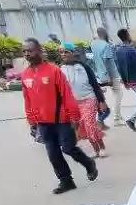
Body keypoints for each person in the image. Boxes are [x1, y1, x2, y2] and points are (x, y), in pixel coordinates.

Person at [20, 37, 98, 194]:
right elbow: (27, 99)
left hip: (62, 118)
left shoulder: (53, 70)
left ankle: (89, 163)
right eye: (24, 51)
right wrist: (32, 121)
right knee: (53, 153)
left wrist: (74, 116)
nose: (27, 54)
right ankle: (66, 181)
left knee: (68, 148)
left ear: (39, 51)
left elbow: (66, 94)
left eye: (30, 50)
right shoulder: (25, 75)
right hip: (43, 122)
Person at [61, 42, 108, 157]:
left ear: (73, 53)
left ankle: (102, 147)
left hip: (89, 98)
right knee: (84, 127)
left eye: (66, 52)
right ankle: (96, 150)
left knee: (89, 123)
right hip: (74, 103)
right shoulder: (61, 69)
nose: (63, 54)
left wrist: (101, 101)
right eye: (61, 52)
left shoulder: (83, 66)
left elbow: (94, 84)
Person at [89, 26, 122, 124]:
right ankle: (117, 118)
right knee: (118, 94)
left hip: (100, 74)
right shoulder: (106, 45)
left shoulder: (93, 44)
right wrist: (109, 77)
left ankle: (104, 117)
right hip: (111, 74)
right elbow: (107, 61)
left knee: (104, 95)